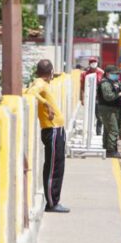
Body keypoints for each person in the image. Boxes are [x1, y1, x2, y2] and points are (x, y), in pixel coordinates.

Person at [28, 59, 69, 213]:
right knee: (53, 167)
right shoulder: (39, 83)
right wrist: (46, 104)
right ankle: (52, 203)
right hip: (51, 130)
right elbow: (31, 92)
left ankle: (55, 200)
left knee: (58, 166)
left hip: (57, 129)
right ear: (50, 72)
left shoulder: (44, 82)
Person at [96, 65, 121, 159]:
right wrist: (118, 94)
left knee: (108, 129)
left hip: (114, 109)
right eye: (114, 74)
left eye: (117, 74)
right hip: (107, 109)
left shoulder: (115, 82)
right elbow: (108, 96)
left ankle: (106, 147)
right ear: (108, 74)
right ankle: (111, 150)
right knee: (113, 130)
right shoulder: (105, 83)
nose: (116, 76)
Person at [81, 57, 104, 134]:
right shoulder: (85, 74)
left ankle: (98, 131)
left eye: (95, 62)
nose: (93, 63)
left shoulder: (101, 73)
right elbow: (82, 87)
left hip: (99, 98)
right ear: (89, 64)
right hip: (89, 97)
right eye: (92, 62)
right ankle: (88, 131)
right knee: (89, 115)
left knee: (99, 116)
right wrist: (82, 98)